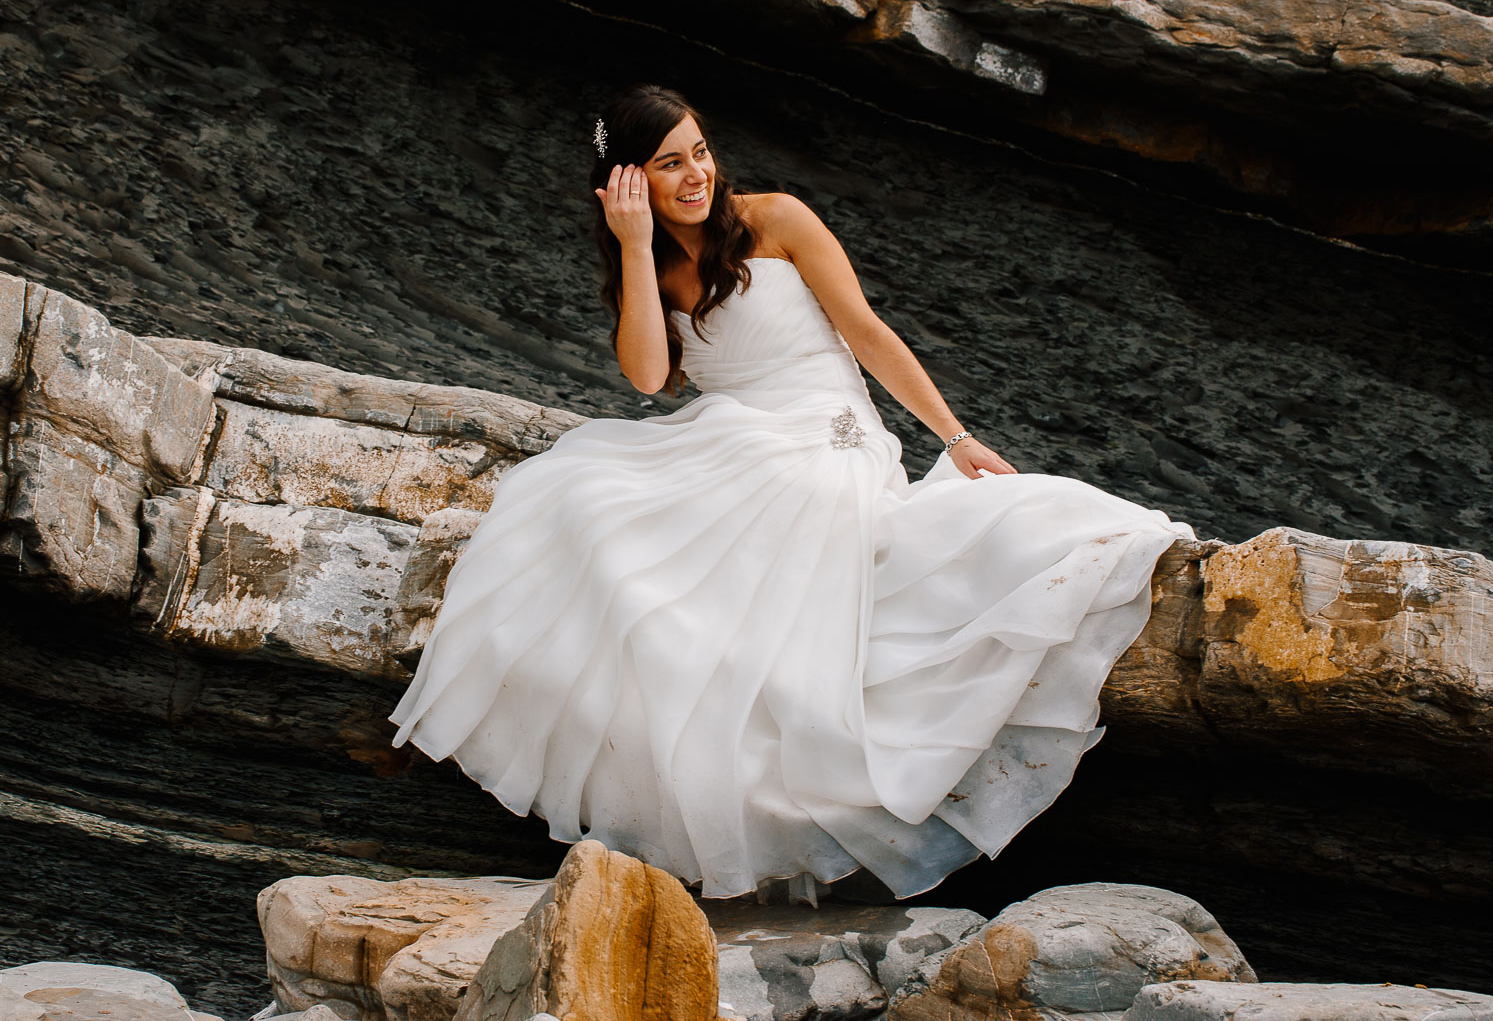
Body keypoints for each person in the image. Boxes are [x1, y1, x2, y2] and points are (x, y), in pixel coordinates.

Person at [387, 83, 1197, 904]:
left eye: (699, 152)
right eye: (670, 164)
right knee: (584, 505)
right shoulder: (652, 265)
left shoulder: (778, 219)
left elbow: (868, 332)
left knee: (790, 506)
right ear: (631, 182)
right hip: (733, 430)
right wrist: (634, 244)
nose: (696, 174)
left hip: (827, 433)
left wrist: (954, 438)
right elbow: (647, 377)